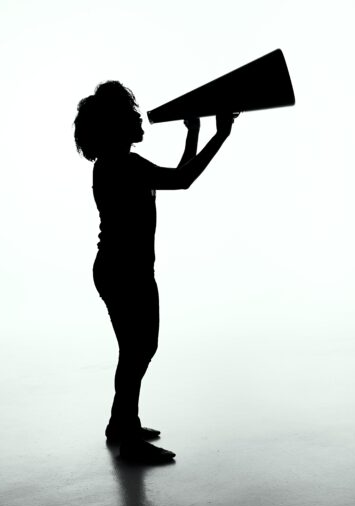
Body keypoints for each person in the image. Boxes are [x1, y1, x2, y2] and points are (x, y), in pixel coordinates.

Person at [74, 81, 235, 464]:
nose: (140, 120)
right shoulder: (123, 165)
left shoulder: (115, 164)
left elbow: (178, 174)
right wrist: (221, 135)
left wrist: (195, 132)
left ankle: (121, 423)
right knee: (137, 350)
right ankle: (127, 437)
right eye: (132, 116)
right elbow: (183, 180)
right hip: (125, 272)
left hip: (119, 270)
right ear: (117, 128)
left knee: (136, 350)